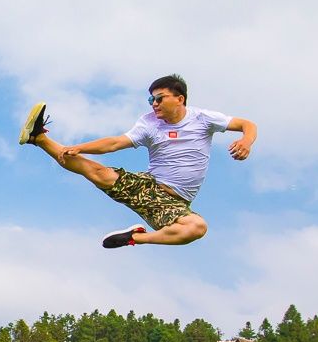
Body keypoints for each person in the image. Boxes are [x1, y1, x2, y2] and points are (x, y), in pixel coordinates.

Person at [18, 75, 256, 249]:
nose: (154, 103)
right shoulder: (149, 123)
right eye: (150, 99)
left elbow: (247, 124)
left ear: (180, 99)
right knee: (98, 173)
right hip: (148, 186)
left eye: (159, 98)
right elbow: (114, 143)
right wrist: (80, 147)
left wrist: (246, 140)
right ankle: (38, 137)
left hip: (174, 202)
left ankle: (134, 237)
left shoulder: (203, 118)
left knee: (196, 228)